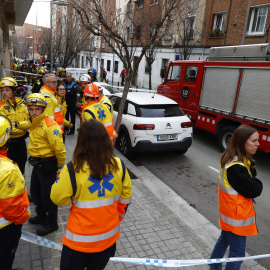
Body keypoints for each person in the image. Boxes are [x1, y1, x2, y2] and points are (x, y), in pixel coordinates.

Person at [51, 119, 132, 270]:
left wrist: (60, 178)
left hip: (78, 244)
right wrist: (116, 218)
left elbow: (57, 198)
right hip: (108, 239)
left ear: (81, 142)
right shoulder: (119, 165)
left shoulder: (72, 170)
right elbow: (126, 198)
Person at [209, 125, 263, 270]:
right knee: (237, 253)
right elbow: (255, 189)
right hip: (237, 218)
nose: (258, 144)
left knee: (223, 240)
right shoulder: (237, 167)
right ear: (242, 142)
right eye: (254, 141)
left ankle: (214, 266)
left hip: (228, 213)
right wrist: (254, 175)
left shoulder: (231, 157)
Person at [25, 93, 66, 236]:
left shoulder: (50, 126)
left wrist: (58, 167)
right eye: (31, 109)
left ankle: (52, 223)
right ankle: (41, 216)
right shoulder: (34, 122)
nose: (34, 112)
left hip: (48, 166)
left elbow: (60, 149)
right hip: (37, 165)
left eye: (37, 109)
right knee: (35, 193)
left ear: (43, 109)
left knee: (48, 196)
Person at [0, 114, 30, 270]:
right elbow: (12, 209)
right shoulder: (8, 170)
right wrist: (24, 217)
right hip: (5, 229)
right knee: (5, 260)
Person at [0, 77, 31, 175]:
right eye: (3, 90)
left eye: (7, 90)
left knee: (21, 170)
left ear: (14, 91)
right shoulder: (1, 107)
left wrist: (15, 124)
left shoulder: (22, 105)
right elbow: (5, 128)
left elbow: (28, 124)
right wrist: (20, 126)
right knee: (9, 172)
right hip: (7, 145)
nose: (4, 93)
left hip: (21, 143)